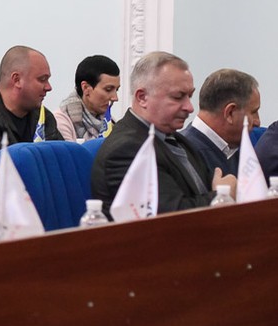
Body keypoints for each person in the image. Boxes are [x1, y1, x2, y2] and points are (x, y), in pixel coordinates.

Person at [92, 51, 237, 216]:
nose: (189, 107)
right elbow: (170, 217)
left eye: (189, 96)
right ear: (142, 97)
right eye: (178, 97)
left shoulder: (175, 138)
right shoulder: (126, 150)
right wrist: (223, 196)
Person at [0, 45, 63, 149]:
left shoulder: (43, 117)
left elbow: (62, 156)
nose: (49, 87)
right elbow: (1, 160)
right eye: (42, 79)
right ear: (17, 80)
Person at [178, 69, 260, 176]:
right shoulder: (183, 155)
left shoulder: (235, 150)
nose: (257, 122)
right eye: (253, 112)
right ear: (230, 113)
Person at [54, 55, 120, 141]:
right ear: (86, 88)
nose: (115, 98)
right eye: (108, 89)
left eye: (117, 90)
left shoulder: (110, 122)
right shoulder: (61, 121)